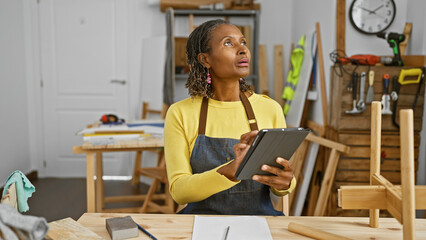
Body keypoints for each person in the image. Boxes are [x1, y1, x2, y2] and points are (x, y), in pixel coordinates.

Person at [164, 19, 296, 215]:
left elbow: (280, 183)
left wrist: (285, 182)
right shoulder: (180, 113)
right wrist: (230, 171)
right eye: (228, 43)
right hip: (200, 224)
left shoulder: (270, 109)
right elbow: (179, 191)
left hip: (259, 222)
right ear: (205, 59)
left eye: (243, 42)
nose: (242, 49)